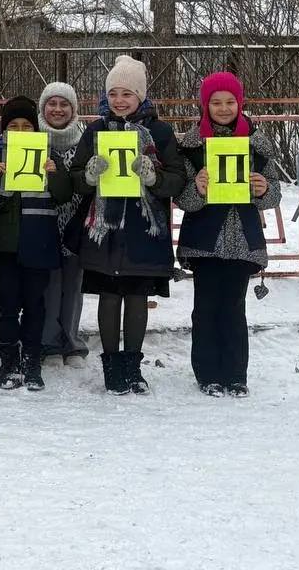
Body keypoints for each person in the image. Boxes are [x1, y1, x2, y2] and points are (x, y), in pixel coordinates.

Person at [71, 55, 185, 396]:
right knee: (108, 296)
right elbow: (77, 179)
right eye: (114, 93)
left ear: (141, 96)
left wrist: (154, 176)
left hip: (143, 228)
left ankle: (133, 367)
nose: (120, 100)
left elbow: (177, 179)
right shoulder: (95, 130)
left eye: (127, 94)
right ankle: (110, 367)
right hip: (104, 229)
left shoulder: (160, 131)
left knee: (137, 296)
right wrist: (89, 174)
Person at [176, 72, 282, 397]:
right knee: (205, 307)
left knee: (234, 308)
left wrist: (264, 190)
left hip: (242, 240)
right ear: (205, 106)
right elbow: (182, 199)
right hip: (205, 240)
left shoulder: (256, 145)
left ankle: (236, 374)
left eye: (230, 101)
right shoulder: (193, 148)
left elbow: (274, 191)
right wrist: (197, 187)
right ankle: (207, 373)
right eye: (216, 102)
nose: (223, 108)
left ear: (240, 103)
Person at [0, 96, 74, 391]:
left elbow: (65, 193)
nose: (20, 130)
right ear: (5, 130)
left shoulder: (49, 155)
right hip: (3, 244)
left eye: (26, 125)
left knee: (35, 305)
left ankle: (32, 361)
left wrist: (54, 174)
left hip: (39, 241)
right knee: (7, 305)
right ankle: (9, 361)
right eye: (14, 126)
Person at [37, 82, 90, 367]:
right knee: (47, 286)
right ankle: (48, 343)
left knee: (73, 286)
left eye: (64, 104)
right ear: (43, 107)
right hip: (42, 224)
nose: (58, 109)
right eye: (52, 103)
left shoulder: (85, 141)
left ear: (74, 109)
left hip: (75, 224)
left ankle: (71, 343)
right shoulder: (31, 139)